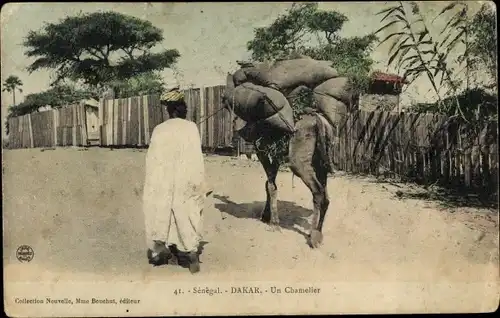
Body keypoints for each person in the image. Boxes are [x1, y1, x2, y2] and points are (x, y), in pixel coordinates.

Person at [142, 90, 209, 274]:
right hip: (185, 179)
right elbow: (197, 159)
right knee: (187, 212)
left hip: (164, 179)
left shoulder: (159, 129)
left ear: (168, 110)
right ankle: (191, 254)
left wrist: (153, 183)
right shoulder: (191, 127)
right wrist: (200, 183)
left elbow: (153, 160)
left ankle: (161, 250)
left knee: (163, 211)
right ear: (183, 108)